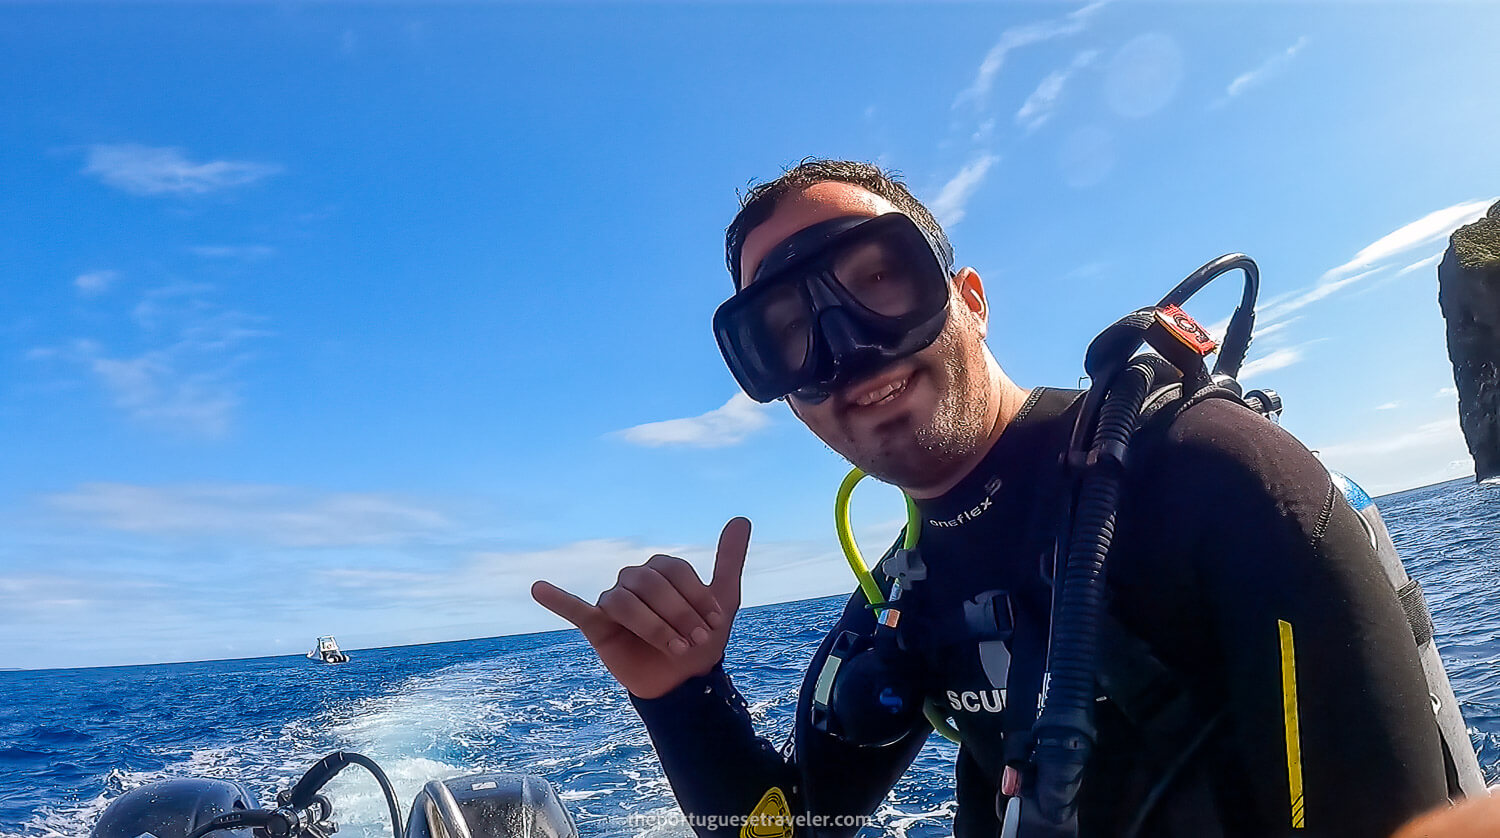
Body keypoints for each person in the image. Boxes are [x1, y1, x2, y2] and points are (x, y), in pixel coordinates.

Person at [532, 160, 1482, 837]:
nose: (849, 349)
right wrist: (679, 695)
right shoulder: (904, 600)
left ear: (971, 299)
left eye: (878, 280)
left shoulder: (1218, 481)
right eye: (785, 334)